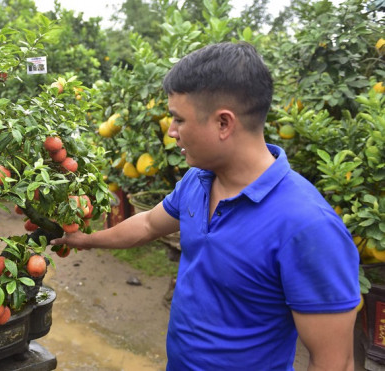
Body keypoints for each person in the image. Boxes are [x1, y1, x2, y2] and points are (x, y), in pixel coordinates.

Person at [50, 42, 360, 370]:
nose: (171, 133)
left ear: (223, 124)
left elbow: (334, 362)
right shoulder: (198, 181)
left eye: (178, 119)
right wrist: (84, 239)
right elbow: (147, 226)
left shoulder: (308, 226)